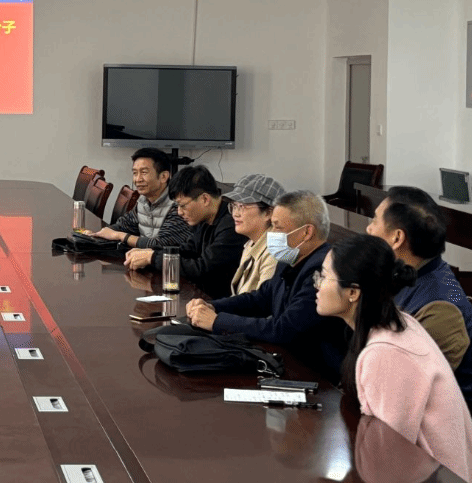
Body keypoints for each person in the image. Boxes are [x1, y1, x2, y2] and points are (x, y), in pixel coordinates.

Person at [316, 233, 472, 480]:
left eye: (324, 277)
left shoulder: (385, 353)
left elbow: (388, 458)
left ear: (353, 292)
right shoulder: (393, 323)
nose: (316, 285)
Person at [186, 190, 348, 380]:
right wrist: (212, 306)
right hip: (284, 360)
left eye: (278, 227)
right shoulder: (290, 258)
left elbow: (284, 329)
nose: (272, 233)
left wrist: (217, 321)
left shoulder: (323, 270)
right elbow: (261, 298)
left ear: (306, 232)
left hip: (316, 374)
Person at [365, 185, 472, 407]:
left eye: (374, 220)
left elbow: (402, 389)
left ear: (397, 238)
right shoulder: (409, 275)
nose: (368, 229)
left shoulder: (441, 308)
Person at [124, 165, 246, 299]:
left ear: (205, 199)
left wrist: (153, 258)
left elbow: (203, 268)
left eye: (183, 205)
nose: (179, 212)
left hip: (220, 302)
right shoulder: (205, 218)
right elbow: (187, 250)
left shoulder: (232, 224)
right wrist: (150, 252)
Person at [91, 148, 188, 248]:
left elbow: (162, 245)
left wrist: (120, 236)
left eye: (144, 172)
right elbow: (123, 226)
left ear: (163, 176)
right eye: (135, 173)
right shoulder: (143, 201)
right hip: (142, 256)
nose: (138, 179)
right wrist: (96, 235)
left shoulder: (179, 206)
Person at [227, 174, 286, 295]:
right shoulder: (251, 242)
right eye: (234, 206)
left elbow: (262, 302)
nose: (235, 214)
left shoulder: (276, 252)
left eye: (242, 206)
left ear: (268, 213)